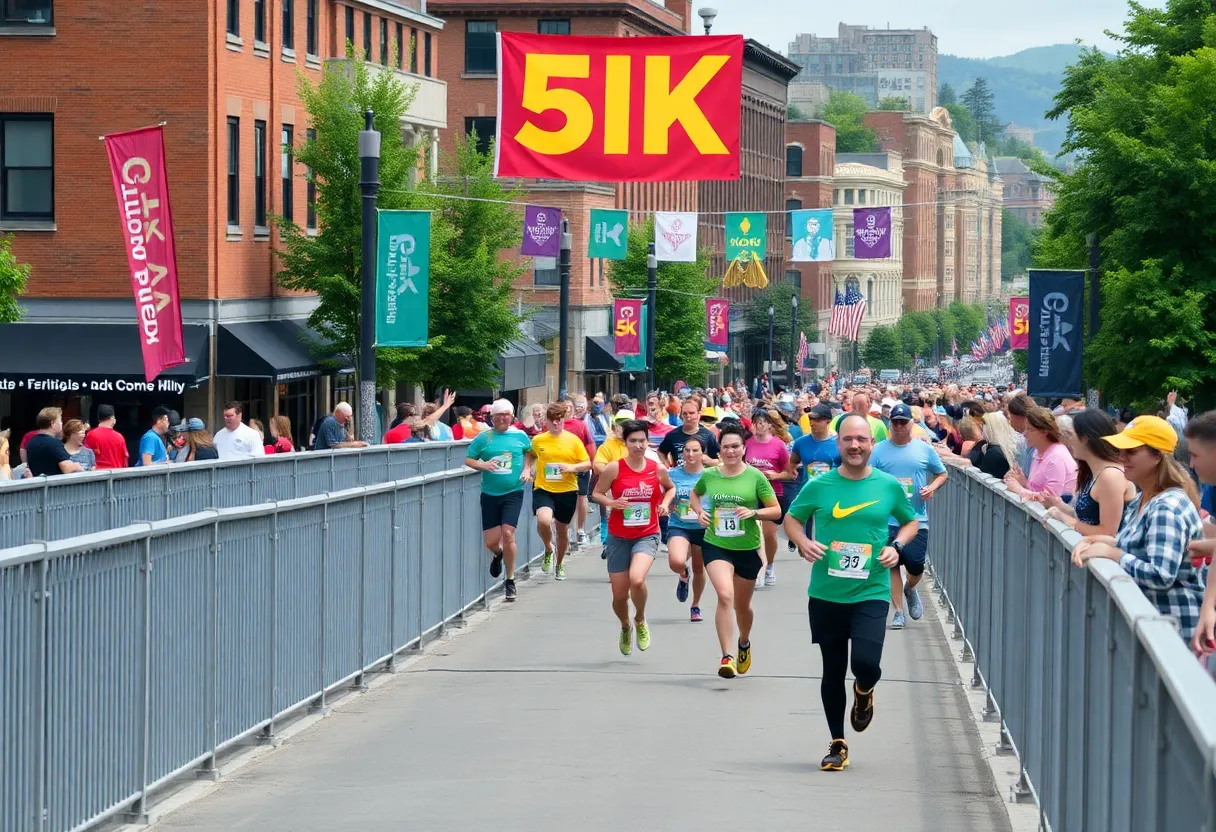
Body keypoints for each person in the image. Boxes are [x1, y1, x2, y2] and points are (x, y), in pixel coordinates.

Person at [783, 414, 919, 771]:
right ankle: (838, 742)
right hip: (827, 591)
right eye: (848, 440)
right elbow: (792, 519)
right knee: (832, 669)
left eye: (861, 439)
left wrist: (898, 546)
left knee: (865, 664)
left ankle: (864, 692)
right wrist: (802, 542)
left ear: (872, 444)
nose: (855, 446)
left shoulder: (888, 485)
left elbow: (910, 520)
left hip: (871, 588)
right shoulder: (820, 485)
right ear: (837, 444)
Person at [1072, 416, 1204, 642]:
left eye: (1131, 452)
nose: (1121, 457)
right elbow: (1136, 546)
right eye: (1120, 450)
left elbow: (1161, 575)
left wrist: (1112, 553)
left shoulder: (1166, 507)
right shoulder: (1145, 499)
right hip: (1157, 628)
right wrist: (1099, 542)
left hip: (1175, 634)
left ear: (1157, 456)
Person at [689, 422, 781, 678]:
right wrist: (700, 512)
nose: (730, 451)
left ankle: (743, 641)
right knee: (725, 596)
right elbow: (695, 496)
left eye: (735, 447)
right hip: (716, 543)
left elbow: (776, 510)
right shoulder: (710, 475)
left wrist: (754, 512)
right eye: (726, 447)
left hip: (747, 547)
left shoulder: (755, 477)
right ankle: (726, 656)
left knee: (742, 606)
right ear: (719, 450)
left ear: (743, 449)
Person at [593, 419, 674, 655]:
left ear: (648, 442)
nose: (638, 445)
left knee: (637, 580)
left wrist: (665, 505)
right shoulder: (614, 468)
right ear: (625, 443)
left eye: (642, 441)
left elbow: (670, 488)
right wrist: (611, 502)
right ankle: (625, 625)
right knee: (619, 596)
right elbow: (596, 493)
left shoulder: (656, 468)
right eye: (633, 441)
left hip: (647, 533)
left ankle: (639, 619)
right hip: (619, 536)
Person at [869, 404, 948, 629]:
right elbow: (869, 476)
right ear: (889, 424)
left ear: (911, 424)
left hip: (916, 518)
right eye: (895, 422)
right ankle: (898, 612)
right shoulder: (879, 451)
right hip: (887, 519)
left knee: (915, 565)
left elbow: (942, 473)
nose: (899, 426)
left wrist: (932, 487)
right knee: (890, 564)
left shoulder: (924, 450)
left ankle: (910, 588)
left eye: (904, 422)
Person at [465, 399, 535, 603]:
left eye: (506, 415)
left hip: (513, 491)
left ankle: (510, 580)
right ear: (492, 418)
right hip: (489, 493)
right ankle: (498, 555)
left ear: (512, 416)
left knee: (508, 533)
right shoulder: (484, 437)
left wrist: (526, 469)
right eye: (498, 416)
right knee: (491, 542)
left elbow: (530, 453)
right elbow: (469, 459)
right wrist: (483, 465)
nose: (503, 419)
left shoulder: (520, 435)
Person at [1031, 409, 1128, 536]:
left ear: (1085, 439)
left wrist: (1065, 518)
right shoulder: (1092, 472)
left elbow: (1108, 532)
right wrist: (1059, 506)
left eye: (1072, 435)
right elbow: (1087, 519)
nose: (1069, 441)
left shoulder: (1110, 476)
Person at [530, 403, 591, 581]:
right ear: (546, 422)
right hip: (544, 488)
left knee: (562, 530)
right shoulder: (538, 440)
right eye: (553, 421)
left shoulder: (573, 440)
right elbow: (531, 455)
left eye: (560, 420)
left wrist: (570, 467)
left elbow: (587, 463)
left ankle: (560, 563)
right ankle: (549, 547)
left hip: (567, 489)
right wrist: (527, 469)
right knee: (543, 520)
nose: (557, 424)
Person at [662, 434, 710, 622]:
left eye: (695, 450)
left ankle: (695, 605)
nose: (690, 454)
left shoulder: (711, 475)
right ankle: (683, 574)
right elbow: (664, 492)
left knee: (699, 567)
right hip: (679, 524)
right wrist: (666, 504)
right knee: (676, 560)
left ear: (702, 454)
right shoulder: (672, 474)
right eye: (686, 450)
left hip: (703, 526)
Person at [745, 409, 793, 588]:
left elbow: (790, 473)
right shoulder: (747, 444)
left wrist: (775, 476)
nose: (761, 425)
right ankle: (758, 569)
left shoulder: (778, 445)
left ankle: (770, 565)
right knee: (754, 533)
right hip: (750, 494)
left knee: (768, 534)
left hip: (772, 494)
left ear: (770, 425)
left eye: (764, 422)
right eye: (757, 421)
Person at [1005, 407, 1077, 502]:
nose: (1025, 434)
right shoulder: (1038, 452)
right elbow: (1038, 490)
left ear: (1044, 431)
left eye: (1030, 429)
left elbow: (1051, 500)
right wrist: (1022, 481)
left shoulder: (1056, 458)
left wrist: (1019, 489)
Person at [658, 398, 721, 469]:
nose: (688, 416)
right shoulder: (672, 435)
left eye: (691, 413)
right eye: (685, 413)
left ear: (699, 414)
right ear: (681, 415)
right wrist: (665, 463)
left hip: (701, 477)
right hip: (679, 477)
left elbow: (720, 461)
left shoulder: (708, 435)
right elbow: (661, 451)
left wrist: (709, 461)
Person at [25, 408, 84, 477]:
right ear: (52, 424)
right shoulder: (55, 443)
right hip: (55, 486)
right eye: (60, 420)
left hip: (38, 485)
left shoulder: (30, 443)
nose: (62, 423)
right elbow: (67, 468)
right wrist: (77, 466)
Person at [966, 412, 1018, 480]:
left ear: (988, 429)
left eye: (983, 426)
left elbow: (981, 478)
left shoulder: (993, 452)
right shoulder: (1011, 447)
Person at [84, 404, 129, 469]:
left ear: (99, 418)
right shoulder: (119, 437)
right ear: (112, 418)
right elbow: (125, 460)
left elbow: (86, 457)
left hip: (98, 475)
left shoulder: (91, 434)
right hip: (117, 475)